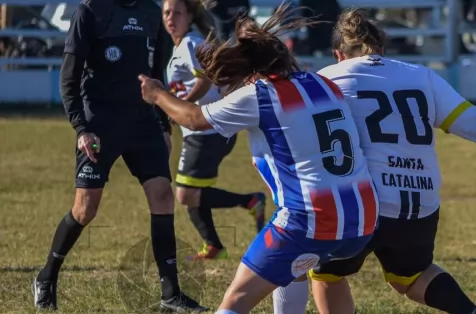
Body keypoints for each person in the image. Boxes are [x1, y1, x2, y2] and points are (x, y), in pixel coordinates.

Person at [272, 8, 476, 314]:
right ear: (383, 50)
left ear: (338, 54)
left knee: (326, 275)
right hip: (419, 201)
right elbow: (473, 120)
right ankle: (471, 312)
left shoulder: (325, 80)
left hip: (361, 204)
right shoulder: (420, 75)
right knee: (411, 277)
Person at [138, 5, 378, 314]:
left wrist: (157, 94)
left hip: (309, 221)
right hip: (362, 221)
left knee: (235, 301)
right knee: (291, 270)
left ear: (250, 70)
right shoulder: (324, 84)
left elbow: (194, 118)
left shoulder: (261, 95)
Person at [32, 0, 206, 311]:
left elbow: (156, 76)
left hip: (142, 122)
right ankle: (46, 276)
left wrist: (163, 123)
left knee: (163, 196)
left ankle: (170, 295)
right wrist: (82, 129)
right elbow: (69, 79)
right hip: (100, 124)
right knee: (85, 209)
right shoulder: (90, 12)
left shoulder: (151, 13)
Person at [162, 0, 266, 260]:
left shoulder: (188, 43)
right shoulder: (189, 43)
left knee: (186, 193)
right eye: (166, 12)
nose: (170, 18)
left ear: (189, 17)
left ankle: (251, 201)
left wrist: (180, 106)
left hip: (206, 130)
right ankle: (213, 246)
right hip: (207, 129)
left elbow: (205, 78)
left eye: (177, 12)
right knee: (193, 191)